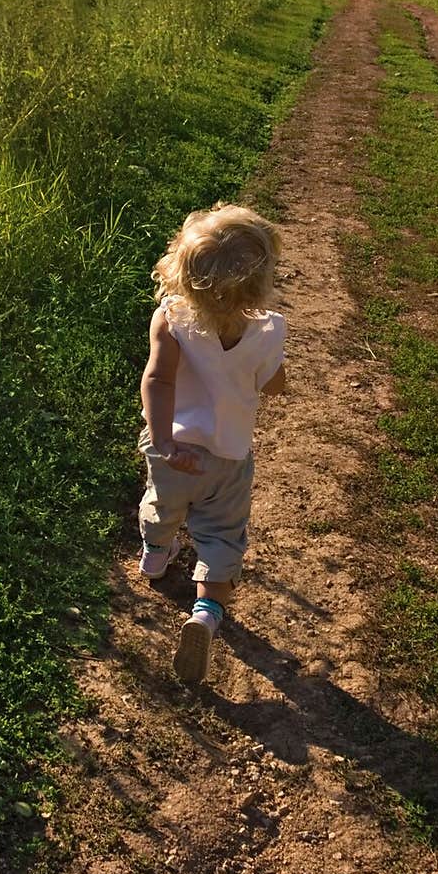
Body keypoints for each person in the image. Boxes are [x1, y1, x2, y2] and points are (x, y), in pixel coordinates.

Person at [137, 202, 286, 683]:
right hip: (227, 455)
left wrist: (163, 440)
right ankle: (205, 612)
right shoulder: (268, 330)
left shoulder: (171, 319)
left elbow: (158, 380)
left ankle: (155, 557)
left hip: (172, 446)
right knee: (221, 534)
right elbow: (274, 383)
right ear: (258, 281)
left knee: (164, 502)